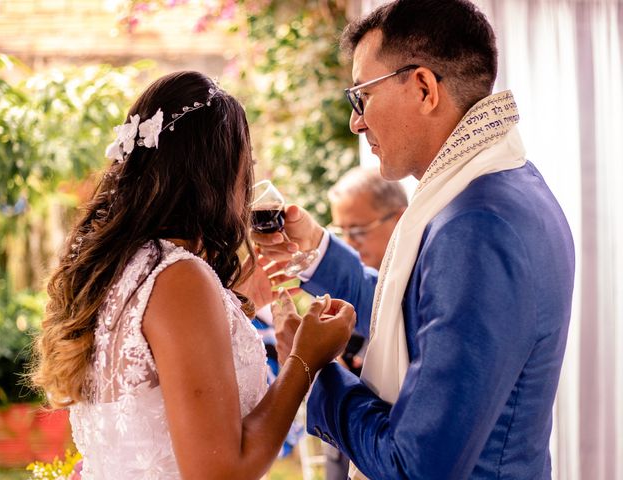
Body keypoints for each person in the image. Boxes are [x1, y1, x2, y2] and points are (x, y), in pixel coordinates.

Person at [253, 1, 575, 479]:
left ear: (424, 88)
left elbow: (416, 468)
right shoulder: (508, 181)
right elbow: (424, 312)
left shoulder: (478, 226)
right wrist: (316, 250)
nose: (355, 122)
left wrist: (316, 370)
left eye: (361, 96)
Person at [29, 71, 355, 479]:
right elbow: (220, 472)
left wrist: (237, 301)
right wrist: (304, 359)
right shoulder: (179, 277)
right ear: (215, 176)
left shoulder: (120, 268)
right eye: (244, 168)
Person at [326, 166, 407, 479]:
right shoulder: (343, 285)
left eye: (358, 231)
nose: (348, 243)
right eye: (341, 232)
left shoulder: (416, 286)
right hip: (341, 446)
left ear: (399, 219)